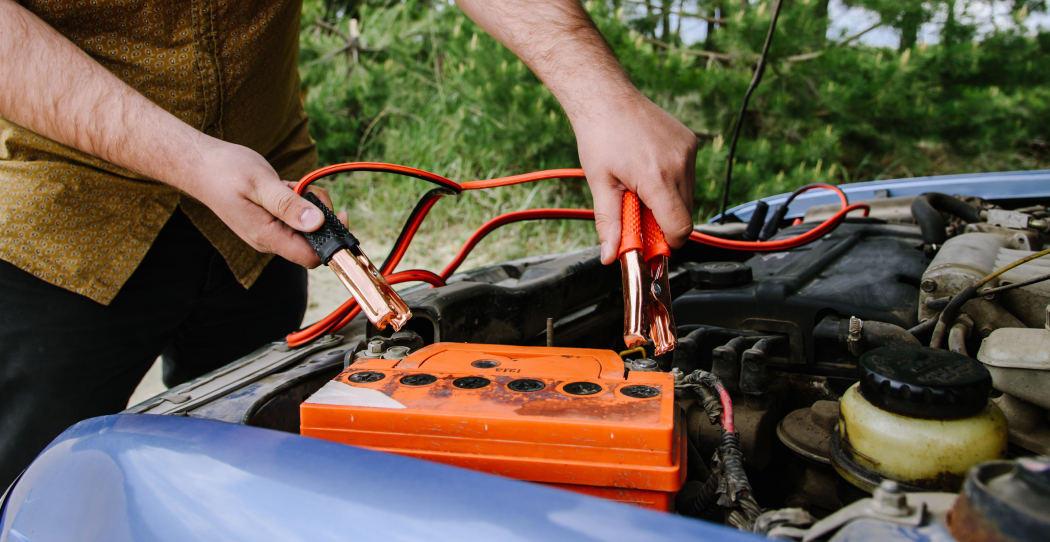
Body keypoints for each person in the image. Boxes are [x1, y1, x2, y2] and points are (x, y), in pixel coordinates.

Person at [0, 0, 698, 488]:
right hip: (62, 232)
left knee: (246, 477)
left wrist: (600, 95)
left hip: (268, 217)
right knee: (28, 485)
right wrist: (188, 160)